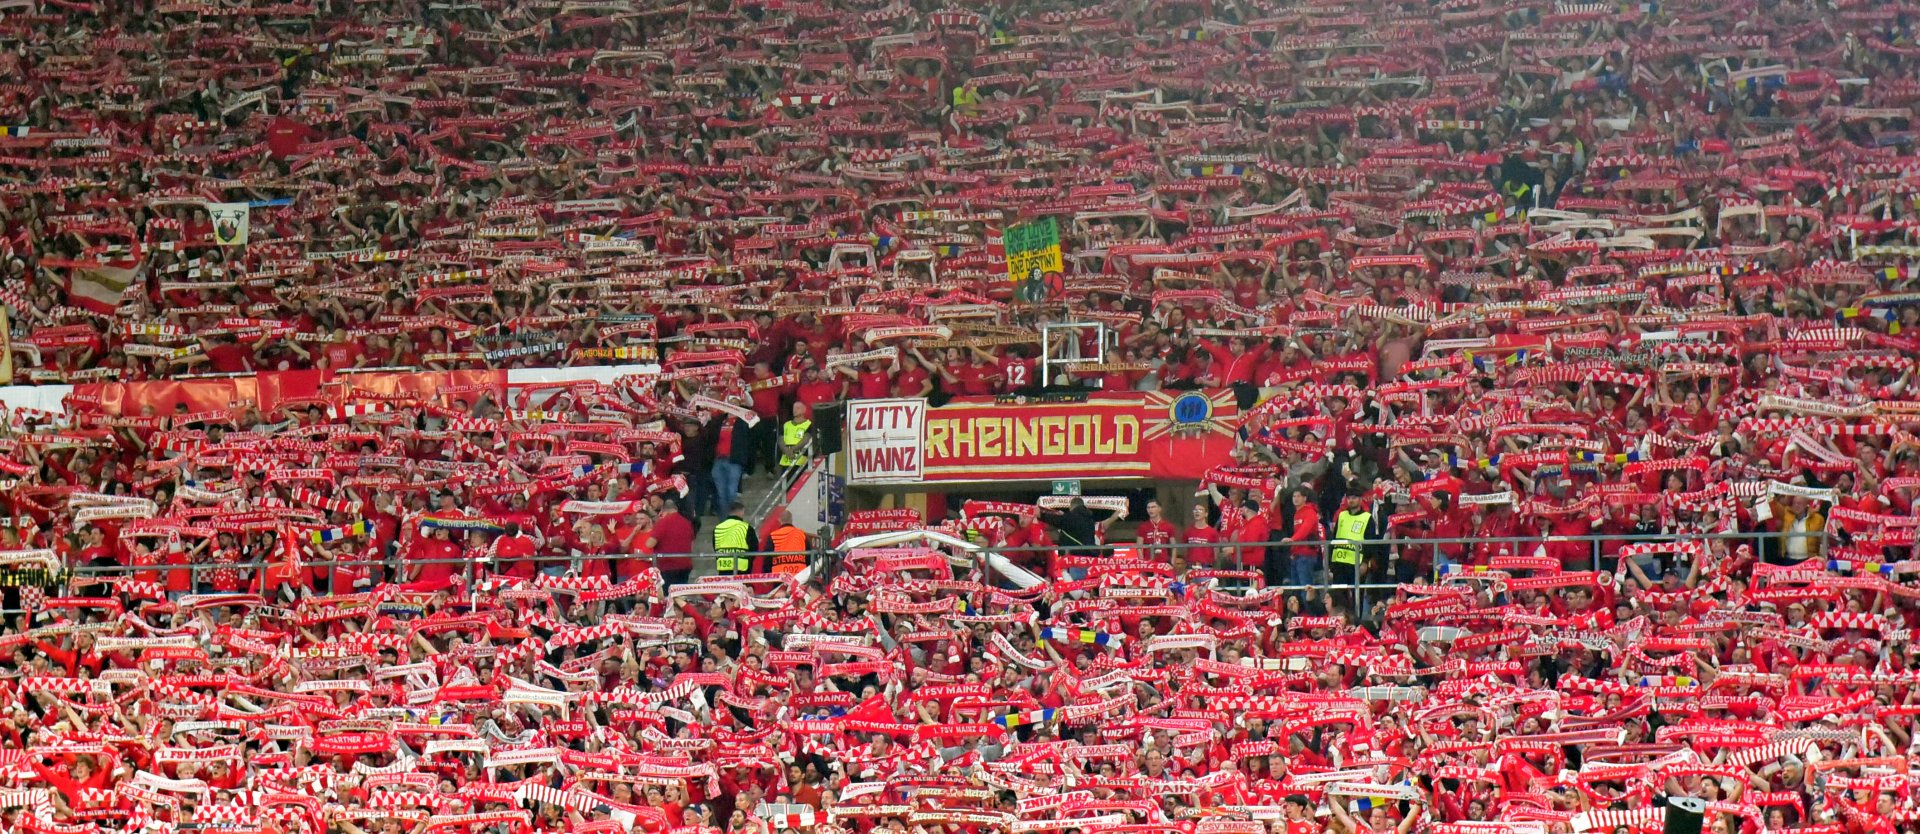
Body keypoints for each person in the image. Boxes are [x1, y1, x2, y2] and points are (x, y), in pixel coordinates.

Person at [1329, 493, 1369, 589]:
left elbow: (1370, 542)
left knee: (1356, 594)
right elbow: (1334, 538)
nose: (1351, 500)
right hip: (1339, 561)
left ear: (1360, 499)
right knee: (1338, 593)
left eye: (1354, 497)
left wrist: (1365, 562)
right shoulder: (1342, 515)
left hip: (1356, 562)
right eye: (1349, 498)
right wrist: (1330, 563)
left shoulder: (1367, 517)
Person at [712, 503, 756, 575]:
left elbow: (715, 546)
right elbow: (754, 548)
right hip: (742, 568)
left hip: (723, 567)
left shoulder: (718, 527)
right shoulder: (747, 527)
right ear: (741, 512)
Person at [765, 510, 809, 575]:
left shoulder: (773, 535)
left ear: (779, 520)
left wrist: (767, 573)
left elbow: (768, 557)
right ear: (791, 520)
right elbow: (809, 556)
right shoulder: (801, 534)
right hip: (799, 575)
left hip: (779, 576)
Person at [778, 402, 813, 470]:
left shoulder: (809, 424)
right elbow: (780, 439)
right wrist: (786, 450)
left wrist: (792, 450)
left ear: (804, 410)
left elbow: (806, 439)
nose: (795, 410)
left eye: (798, 408)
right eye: (794, 408)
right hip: (785, 462)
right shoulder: (786, 425)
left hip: (801, 462)